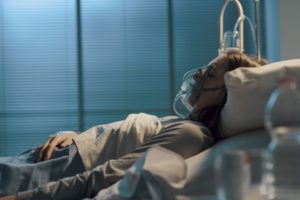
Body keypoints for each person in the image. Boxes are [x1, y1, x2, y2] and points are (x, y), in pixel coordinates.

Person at [0, 51, 267, 200]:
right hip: (45, 161)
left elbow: (108, 174)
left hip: (46, 173)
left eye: (208, 74)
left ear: (227, 93)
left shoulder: (192, 135)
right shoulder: (184, 125)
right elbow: (113, 144)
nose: (197, 75)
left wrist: (26, 199)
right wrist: (76, 136)